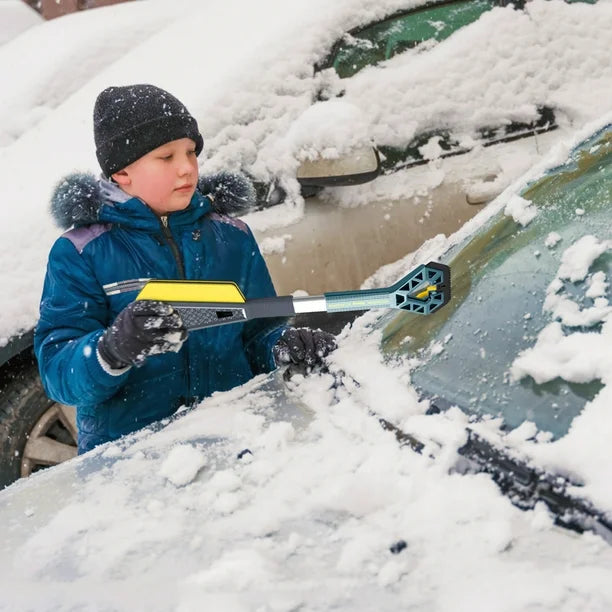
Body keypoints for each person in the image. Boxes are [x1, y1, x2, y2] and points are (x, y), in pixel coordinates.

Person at [34, 84, 336, 454]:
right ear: (122, 173)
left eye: (191, 152)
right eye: (166, 157)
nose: (187, 168)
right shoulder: (82, 251)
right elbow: (57, 371)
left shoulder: (231, 236)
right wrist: (110, 351)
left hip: (235, 435)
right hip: (133, 457)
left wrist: (280, 345)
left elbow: (257, 331)